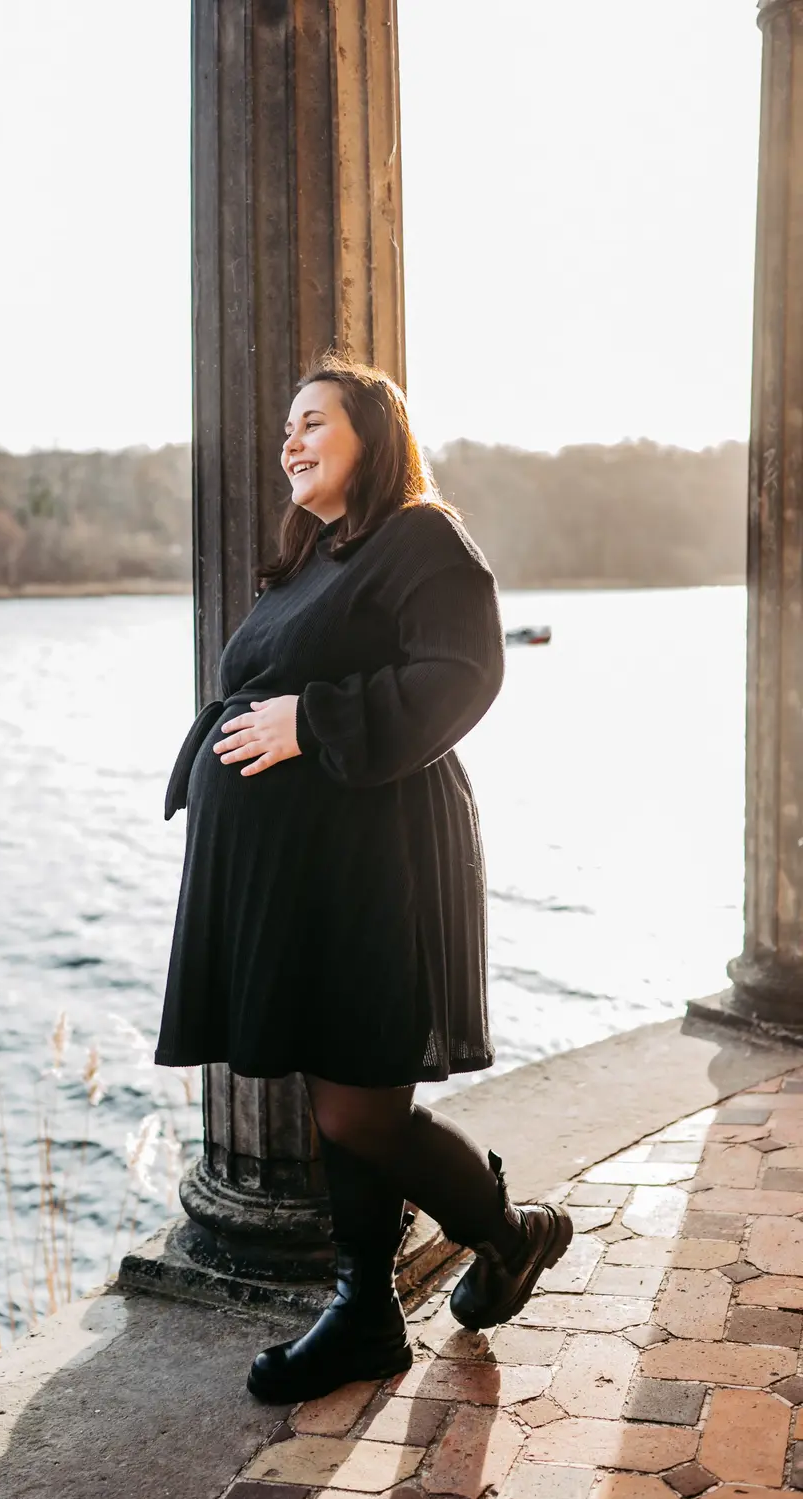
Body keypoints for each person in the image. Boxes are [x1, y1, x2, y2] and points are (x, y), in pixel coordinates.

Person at [155, 354, 572, 1404]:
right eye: (284, 428)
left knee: (360, 1108)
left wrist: (310, 722)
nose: (287, 443)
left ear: (372, 438)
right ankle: (371, 1309)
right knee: (330, 1088)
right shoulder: (311, 562)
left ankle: (499, 1236)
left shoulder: (421, 536)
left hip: (377, 863)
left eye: (311, 424)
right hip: (303, 874)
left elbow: (462, 672)